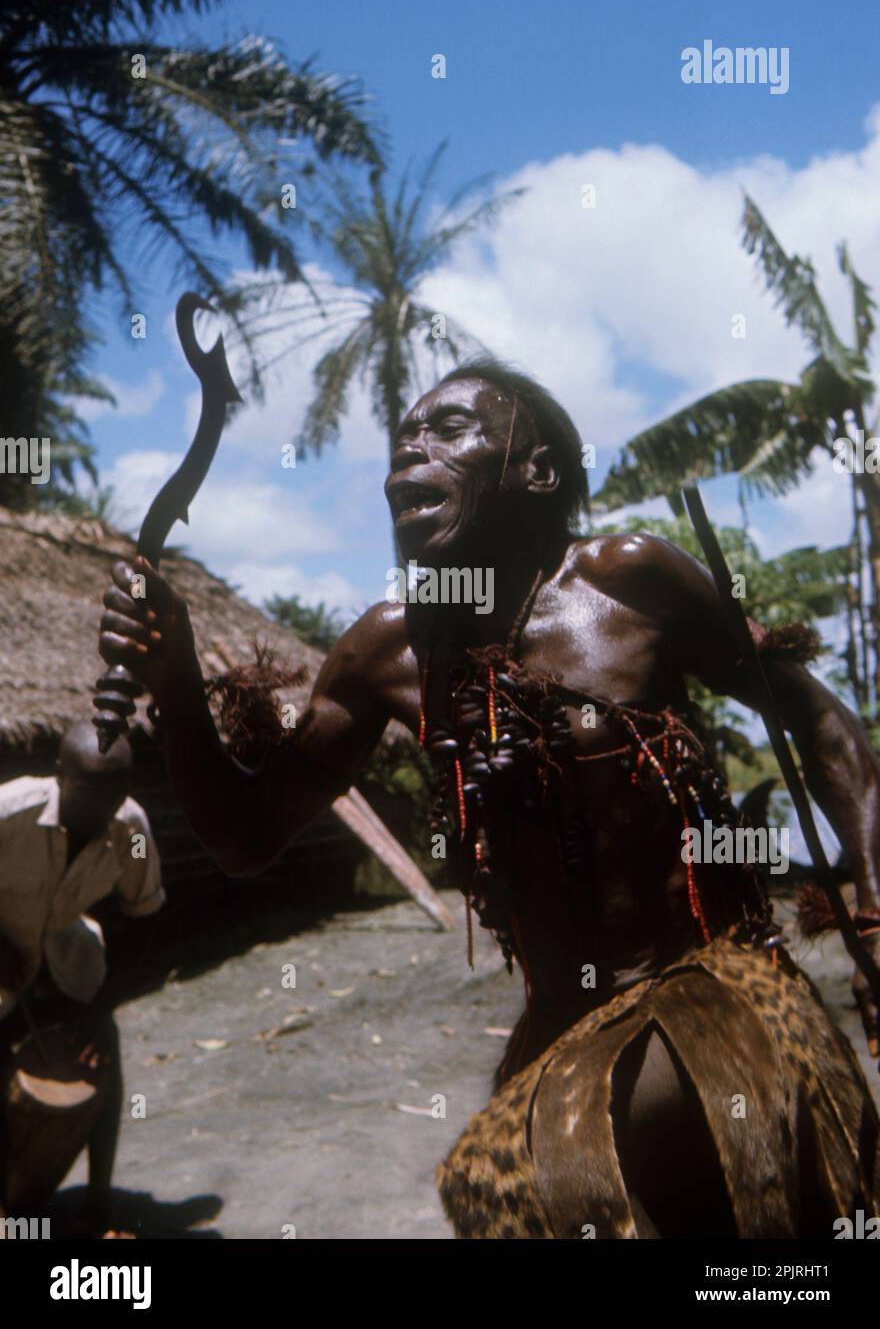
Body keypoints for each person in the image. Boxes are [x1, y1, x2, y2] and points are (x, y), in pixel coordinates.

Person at [99, 358, 880, 1238]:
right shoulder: (389, 653)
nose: (406, 459)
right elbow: (245, 837)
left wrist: (873, 910)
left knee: (569, 1179)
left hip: (711, 994)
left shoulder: (631, 581)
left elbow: (828, 732)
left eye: (447, 431)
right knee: (520, 1184)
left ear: (535, 471)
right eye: (400, 443)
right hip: (559, 1031)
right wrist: (172, 682)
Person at [0, 722, 164, 1233]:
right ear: (59, 776)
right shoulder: (10, 812)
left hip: (63, 940)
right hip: (1, 942)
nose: (101, 811)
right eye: (88, 794)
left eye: (113, 797)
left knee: (104, 1050)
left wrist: (101, 1006)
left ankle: (97, 1205)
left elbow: (145, 915)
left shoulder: (131, 831)